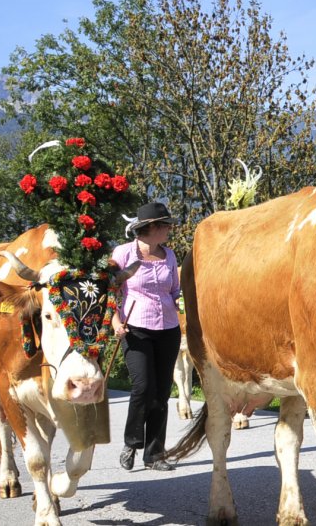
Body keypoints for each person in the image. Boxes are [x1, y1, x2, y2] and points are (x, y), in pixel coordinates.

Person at [112, 202, 182, 471]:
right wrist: (115, 321)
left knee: (161, 393)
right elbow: (110, 290)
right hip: (135, 328)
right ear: (152, 227)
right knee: (143, 388)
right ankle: (131, 442)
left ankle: (154, 454)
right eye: (165, 225)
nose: (168, 230)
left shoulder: (170, 255)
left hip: (168, 329)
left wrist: (182, 302)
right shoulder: (123, 253)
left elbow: (174, 290)